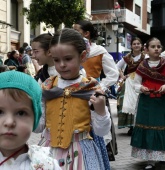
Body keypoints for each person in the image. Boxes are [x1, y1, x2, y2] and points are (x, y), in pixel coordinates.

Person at [35, 28, 111, 170]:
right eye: (56, 60)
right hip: (49, 152)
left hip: (81, 153)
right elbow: (38, 127)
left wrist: (101, 111)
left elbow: (101, 131)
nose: (62, 64)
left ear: (82, 56)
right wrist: (31, 110)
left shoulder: (90, 87)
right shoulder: (48, 86)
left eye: (68, 59)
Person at [73, 20, 119, 167]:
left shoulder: (99, 51)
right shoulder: (72, 50)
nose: (73, 33)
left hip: (93, 97)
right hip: (75, 96)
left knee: (95, 131)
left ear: (86, 34)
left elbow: (113, 74)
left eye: (77, 30)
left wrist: (100, 87)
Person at [0, 71, 61, 169]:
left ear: (35, 119)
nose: (9, 122)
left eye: (21, 113)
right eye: (0, 112)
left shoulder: (46, 164)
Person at [131, 37, 165, 170]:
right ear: (146, 49)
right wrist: (141, 88)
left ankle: (163, 156)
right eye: (153, 47)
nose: (156, 49)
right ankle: (150, 160)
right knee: (148, 128)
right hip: (147, 102)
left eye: (158, 46)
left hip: (163, 101)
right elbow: (136, 83)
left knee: (163, 127)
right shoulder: (142, 66)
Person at [116, 37, 145, 135]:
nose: (136, 45)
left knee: (139, 103)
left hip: (141, 83)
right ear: (131, 46)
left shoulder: (145, 57)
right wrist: (122, 76)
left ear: (141, 45)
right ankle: (131, 127)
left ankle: (139, 126)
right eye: (134, 44)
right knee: (129, 104)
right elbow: (117, 67)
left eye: (138, 43)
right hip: (129, 83)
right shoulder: (127, 58)